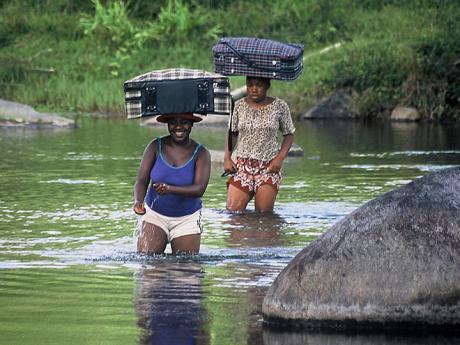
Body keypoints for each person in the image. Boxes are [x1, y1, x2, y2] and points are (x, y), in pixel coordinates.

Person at [133, 113, 211, 255]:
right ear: (168, 125)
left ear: (191, 124)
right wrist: (138, 201)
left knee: (186, 267)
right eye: (173, 123)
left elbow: (199, 189)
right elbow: (141, 180)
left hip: (187, 218)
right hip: (155, 215)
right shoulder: (155, 146)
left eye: (184, 122)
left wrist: (170, 189)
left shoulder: (201, 153)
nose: (179, 127)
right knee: (148, 263)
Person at [223, 76, 295, 212]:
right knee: (233, 213)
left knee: (264, 216)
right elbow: (232, 133)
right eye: (250, 85)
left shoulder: (280, 106)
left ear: (267, 86)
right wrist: (227, 158)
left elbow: (289, 134)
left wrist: (280, 158)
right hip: (242, 167)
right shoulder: (238, 106)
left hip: (269, 167)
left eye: (259, 85)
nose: (254, 89)